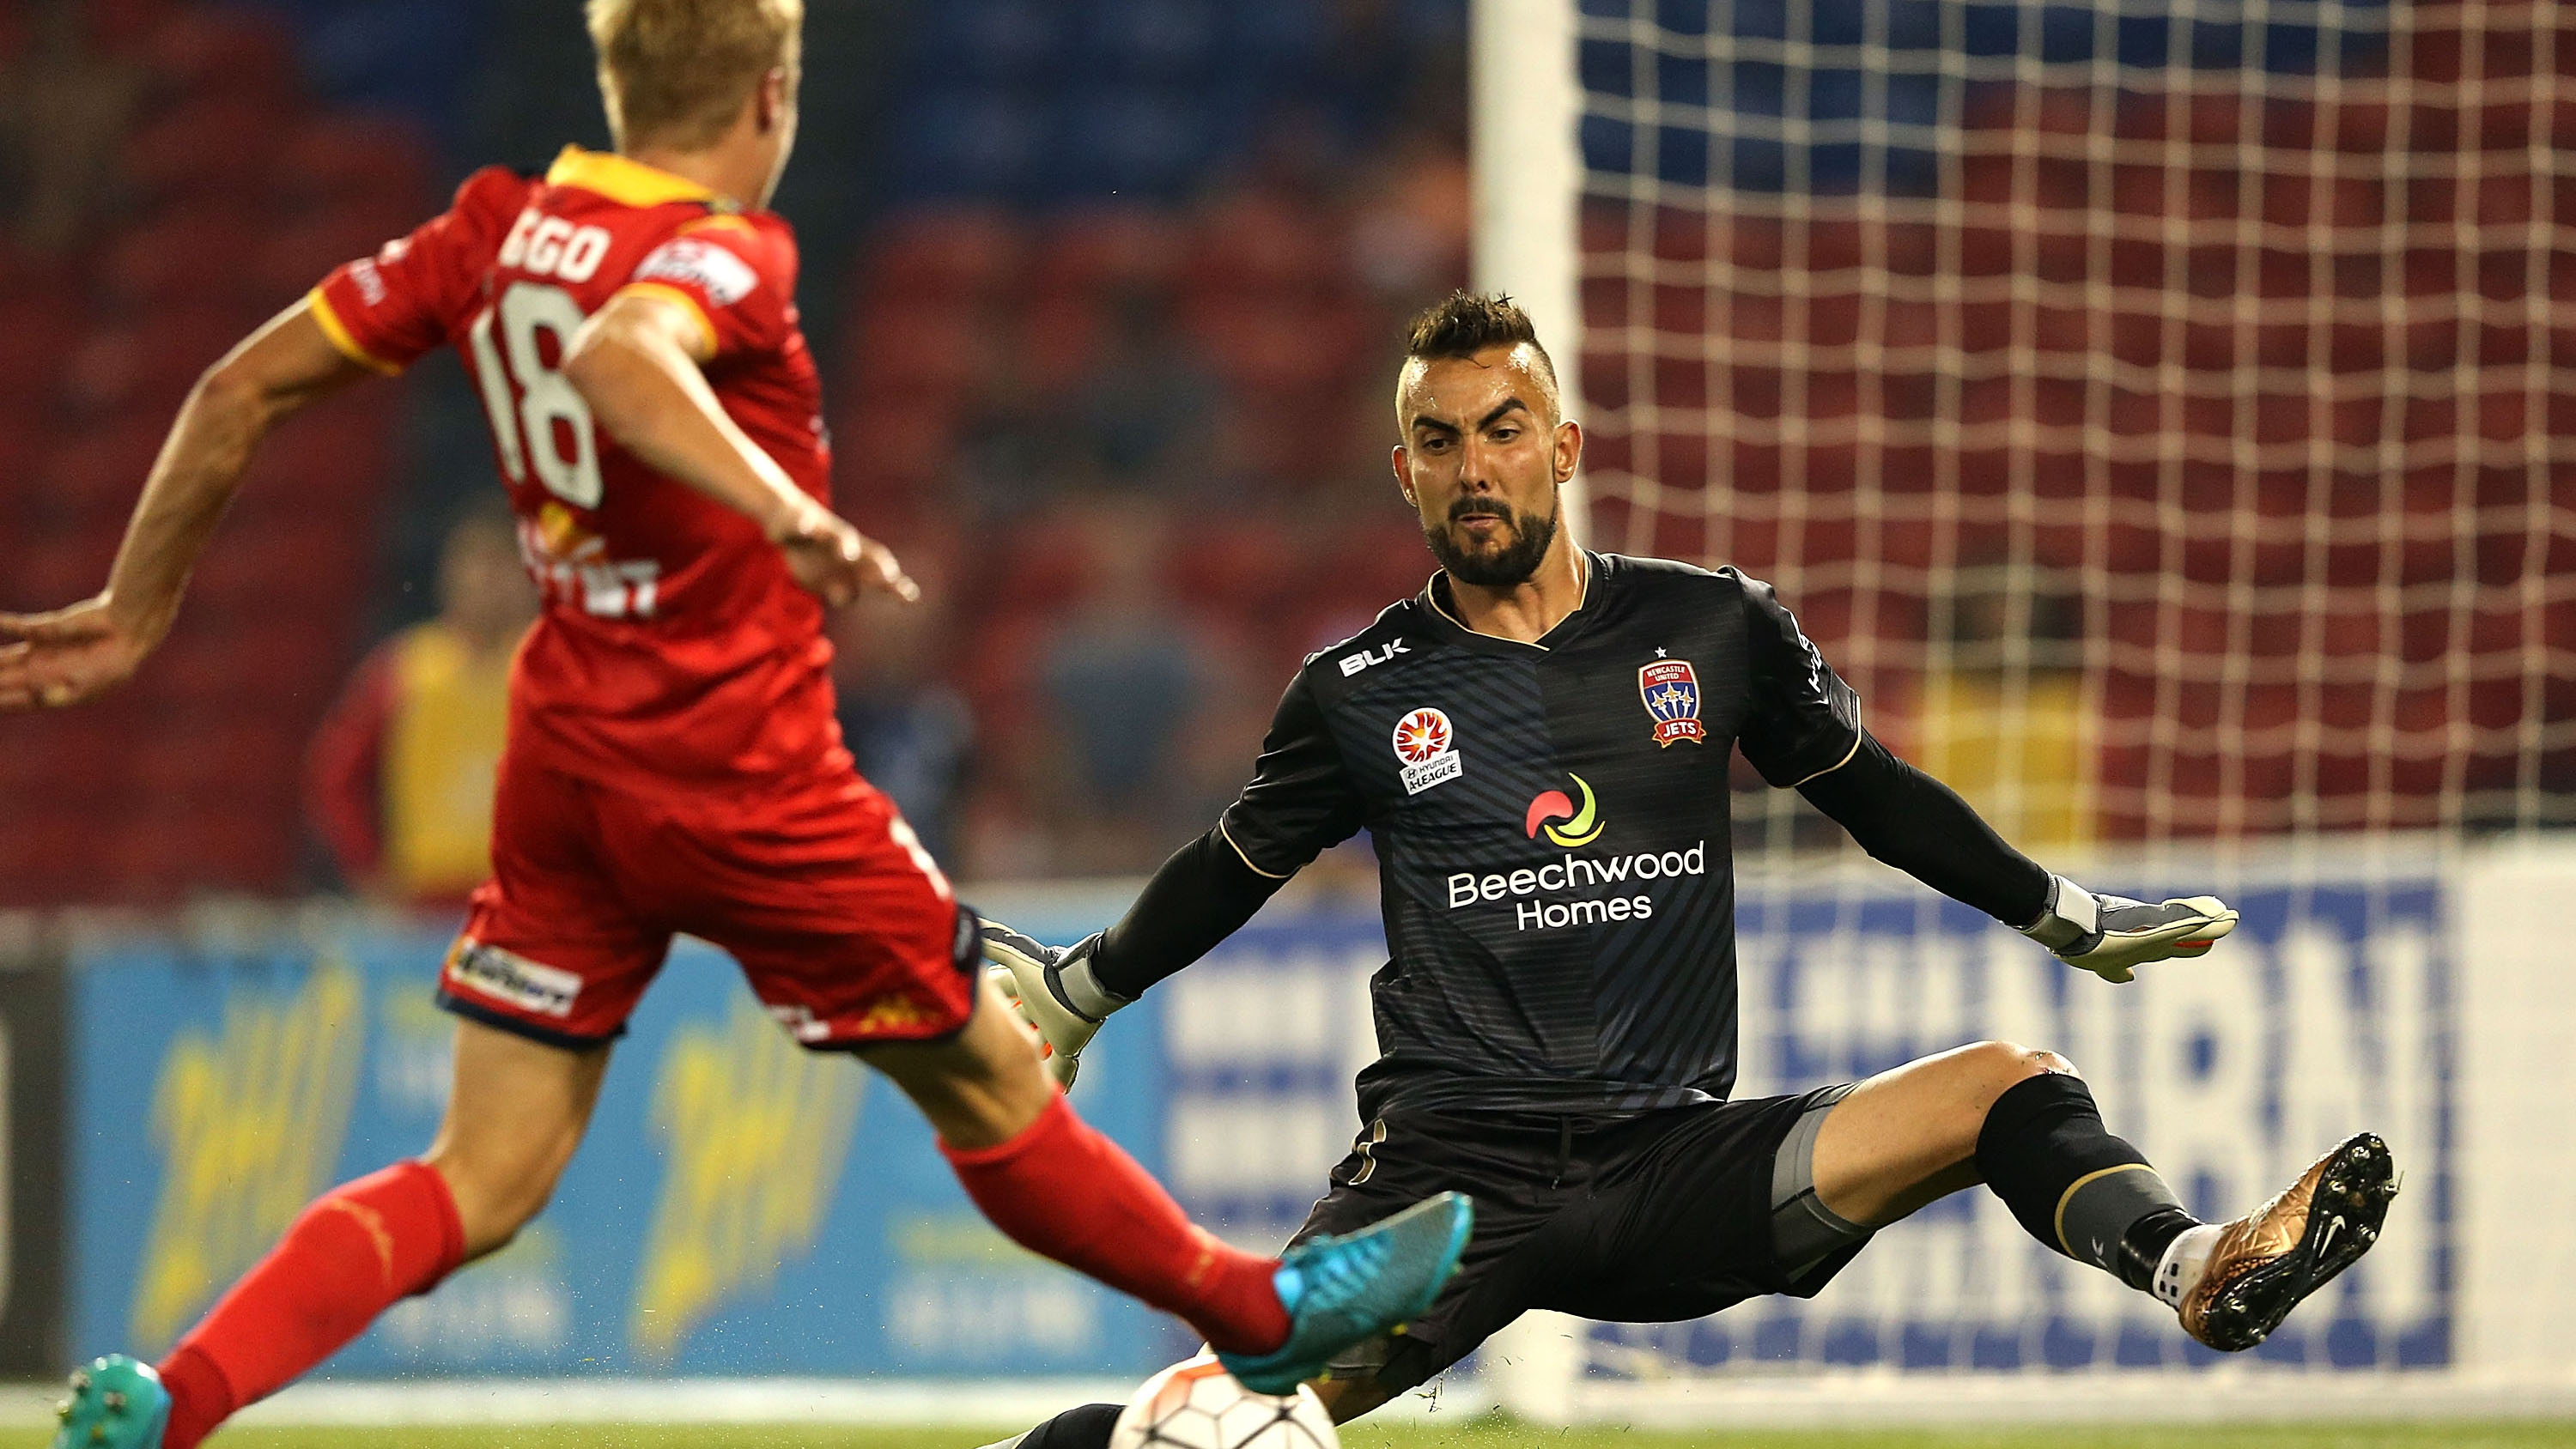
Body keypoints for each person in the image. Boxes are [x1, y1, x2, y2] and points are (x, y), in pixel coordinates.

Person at [1, 6, 1468, 1446]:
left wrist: (134, 613)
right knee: (991, 1069)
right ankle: (1265, 1315)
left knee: (482, 1171)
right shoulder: (728, 250)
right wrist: (788, 513)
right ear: (771, 96)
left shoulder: (490, 231)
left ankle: (170, 1400)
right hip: (737, 769)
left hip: (567, 764)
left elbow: (232, 383)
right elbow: (626, 357)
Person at [978, 293, 2398, 1446]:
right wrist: (1087, 989)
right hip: (1451, 1185)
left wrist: (2066, 914)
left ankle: (2197, 1264)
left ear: (1566, 443)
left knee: (2008, 1085)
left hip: (1672, 1163)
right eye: (1439, 438)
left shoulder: (1712, 628)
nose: (1476, 467)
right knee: (1232, 1421)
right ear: (1401, 468)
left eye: (1504, 428)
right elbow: (1236, 862)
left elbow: (1874, 794)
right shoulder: (1358, 689)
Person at [306, 501, 538, 906]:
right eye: (478, 564)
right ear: (450, 573)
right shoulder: (404, 668)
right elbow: (334, 779)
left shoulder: (555, 668)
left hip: (527, 895)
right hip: (425, 898)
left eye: (504, 565)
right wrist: (368, 872)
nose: (489, 581)